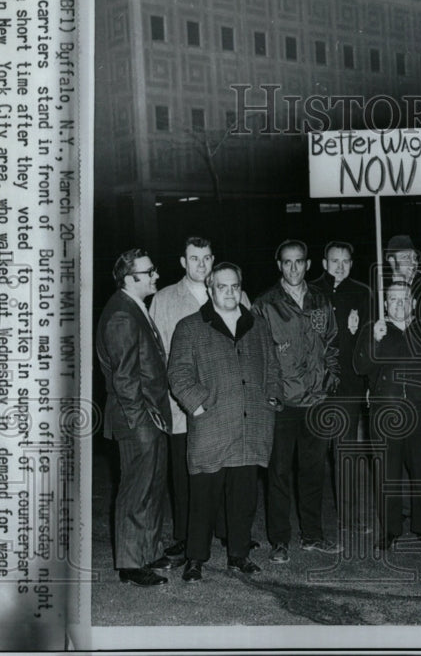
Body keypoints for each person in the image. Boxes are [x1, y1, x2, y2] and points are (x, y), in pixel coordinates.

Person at [167, 263, 282, 582]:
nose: (229, 292)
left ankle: (239, 555)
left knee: (244, 495)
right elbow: (178, 375)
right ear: (210, 289)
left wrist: (271, 397)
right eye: (222, 287)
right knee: (203, 496)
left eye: (234, 286)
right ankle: (195, 558)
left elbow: (272, 367)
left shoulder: (257, 324)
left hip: (250, 425)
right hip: (212, 426)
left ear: (240, 288)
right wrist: (199, 406)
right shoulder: (190, 326)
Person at [150, 236, 252, 559]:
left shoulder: (236, 293)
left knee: (227, 470)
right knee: (186, 475)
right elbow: (157, 355)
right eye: (194, 259)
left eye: (207, 258)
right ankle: (186, 536)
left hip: (227, 405)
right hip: (184, 406)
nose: (202, 265)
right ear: (183, 262)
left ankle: (227, 532)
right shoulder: (165, 299)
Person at [252, 240, 342, 563]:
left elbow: (332, 342)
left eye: (299, 262)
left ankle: (313, 535)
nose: (293, 268)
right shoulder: (265, 304)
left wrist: (330, 379)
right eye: (287, 262)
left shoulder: (320, 300)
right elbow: (256, 354)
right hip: (282, 403)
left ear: (307, 265)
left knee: (313, 470)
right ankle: (279, 540)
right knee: (278, 472)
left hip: (316, 400)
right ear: (279, 265)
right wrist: (269, 393)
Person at [353, 281, 421, 550]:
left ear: (413, 303)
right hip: (386, 412)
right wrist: (374, 340)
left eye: (404, 299)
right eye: (393, 300)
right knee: (387, 473)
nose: (399, 304)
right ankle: (390, 529)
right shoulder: (374, 330)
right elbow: (360, 366)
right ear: (385, 304)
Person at [95, 249, 173, 586]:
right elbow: (124, 379)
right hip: (137, 419)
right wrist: (143, 421)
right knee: (136, 490)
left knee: (152, 486)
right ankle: (130, 563)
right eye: (150, 270)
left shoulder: (131, 307)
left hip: (148, 416)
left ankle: (148, 551)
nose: (156, 274)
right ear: (131, 279)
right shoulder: (122, 315)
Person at [309, 241, 372, 535]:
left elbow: (371, 342)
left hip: (348, 385)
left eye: (346, 261)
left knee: (345, 452)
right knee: (314, 453)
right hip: (315, 386)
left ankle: (349, 517)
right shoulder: (310, 292)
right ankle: (312, 524)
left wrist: (359, 330)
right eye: (335, 261)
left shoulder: (363, 292)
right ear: (324, 263)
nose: (340, 266)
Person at [385, 234, 421, 323]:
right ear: (392, 261)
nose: (413, 262)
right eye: (406, 257)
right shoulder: (379, 291)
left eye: (414, 258)